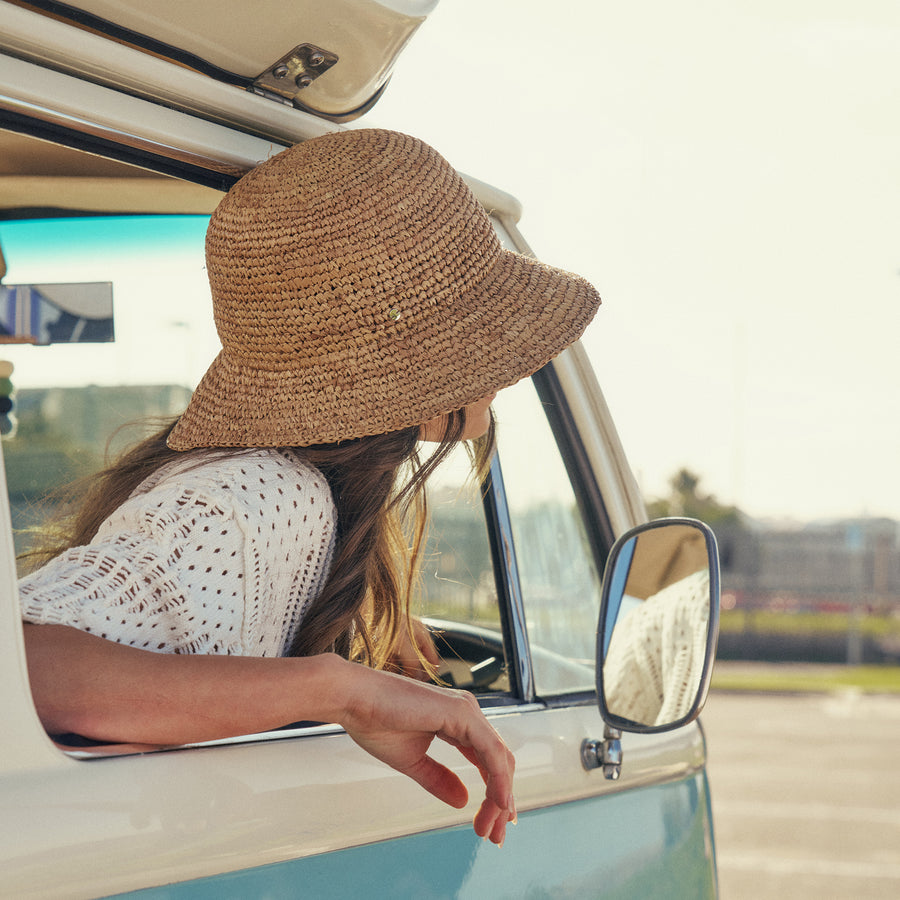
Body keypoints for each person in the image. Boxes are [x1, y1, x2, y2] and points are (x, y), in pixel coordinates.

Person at [18, 128, 601, 847]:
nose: (507, 363)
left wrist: (355, 665)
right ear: (405, 363)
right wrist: (337, 691)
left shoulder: (287, 498)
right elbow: (31, 669)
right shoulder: (266, 494)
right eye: (473, 320)